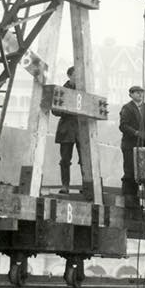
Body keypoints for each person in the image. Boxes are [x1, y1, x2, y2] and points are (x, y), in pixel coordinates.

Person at [120, 84, 145, 201]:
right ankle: (129, 196)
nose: (140, 94)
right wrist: (136, 132)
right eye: (136, 92)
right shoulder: (127, 108)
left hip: (144, 144)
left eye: (141, 92)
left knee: (143, 170)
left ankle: (142, 197)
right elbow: (123, 126)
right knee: (130, 170)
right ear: (131, 94)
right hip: (130, 145)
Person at [55, 66, 80, 194]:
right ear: (69, 75)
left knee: (85, 160)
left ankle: (87, 186)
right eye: (76, 74)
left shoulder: (84, 90)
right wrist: (68, 108)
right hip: (67, 129)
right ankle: (65, 185)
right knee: (65, 159)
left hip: (81, 129)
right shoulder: (61, 91)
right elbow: (55, 110)